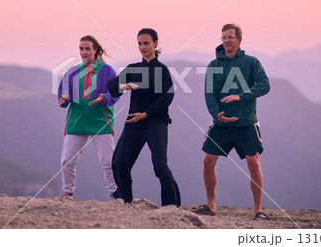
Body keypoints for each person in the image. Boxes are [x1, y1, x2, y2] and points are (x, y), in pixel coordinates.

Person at [192, 23, 271, 220]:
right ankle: (211, 205)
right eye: (224, 38)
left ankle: (258, 210)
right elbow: (209, 94)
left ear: (239, 40)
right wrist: (216, 114)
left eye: (230, 37)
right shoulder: (213, 66)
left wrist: (241, 96)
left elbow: (264, 85)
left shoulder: (251, 62)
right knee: (208, 161)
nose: (227, 41)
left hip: (246, 123)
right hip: (221, 124)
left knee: (254, 164)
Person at [107, 28, 181, 206]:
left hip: (156, 122)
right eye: (139, 43)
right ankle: (125, 198)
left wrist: (146, 114)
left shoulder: (162, 70)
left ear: (155, 44)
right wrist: (125, 85)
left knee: (160, 166)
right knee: (119, 161)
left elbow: (167, 97)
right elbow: (112, 85)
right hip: (134, 122)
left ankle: (172, 205)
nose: (142, 47)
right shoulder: (133, 68)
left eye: (146, 43)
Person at [58, 35, 119, 200]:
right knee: (67, 161)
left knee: (108, 162)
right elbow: (63, 94)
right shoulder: (72, 72)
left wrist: (104, 98)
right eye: (81, 49)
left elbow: (115, 93)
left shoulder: (108, 71)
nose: (84, 52)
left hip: (101, 122)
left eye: (87, 49)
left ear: (96, 50)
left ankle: (115, 195)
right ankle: (68, 193)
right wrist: (64, 99)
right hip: (76, 122)